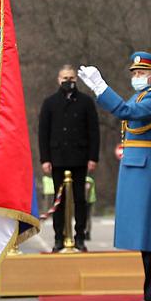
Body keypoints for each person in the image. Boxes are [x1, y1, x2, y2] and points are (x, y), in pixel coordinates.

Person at [79, 53, 151, 301]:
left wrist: (101, 87)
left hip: (146, 168)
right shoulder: (144, 96)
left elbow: (123, 110)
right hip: (139, 167)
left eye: (140, 74)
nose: (136, 77)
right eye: (134, 73)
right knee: (146, 235)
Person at [38, 64, 100, 251]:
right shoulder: (49, 103)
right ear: (58, 80)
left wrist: (93, 157)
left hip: (80, 158)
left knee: (80, 200)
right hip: (57, 158)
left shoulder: (86, 102)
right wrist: (45, 159)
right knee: (59, 201)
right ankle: (59, 237)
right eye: (65, 78)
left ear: (76, 79)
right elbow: (43, 133)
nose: (68, 82)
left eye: (71, 78)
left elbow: (94, 132)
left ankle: (79, 237)